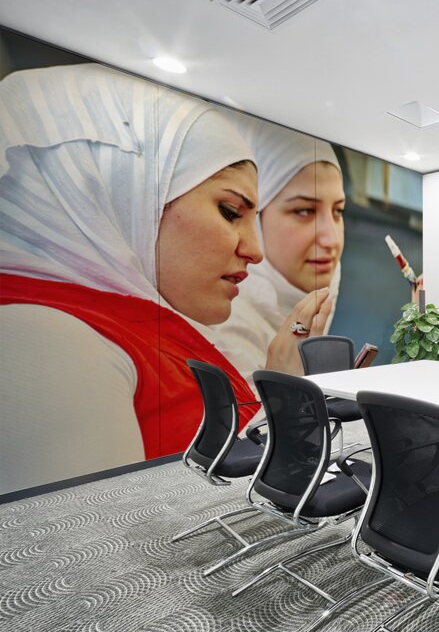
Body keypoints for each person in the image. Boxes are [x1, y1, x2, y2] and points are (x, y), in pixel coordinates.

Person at [0, 64, 268, 493]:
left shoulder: (120, 325)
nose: (255, 249)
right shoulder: (47, 337)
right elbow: (89, 549)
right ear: (124, 192)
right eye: (231, 212)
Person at [209, 117, 345, 382]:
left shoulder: (302, 320)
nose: (331, 239)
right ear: (254, 219)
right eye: (304, 211)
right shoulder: (224, 341)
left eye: (338, 211)